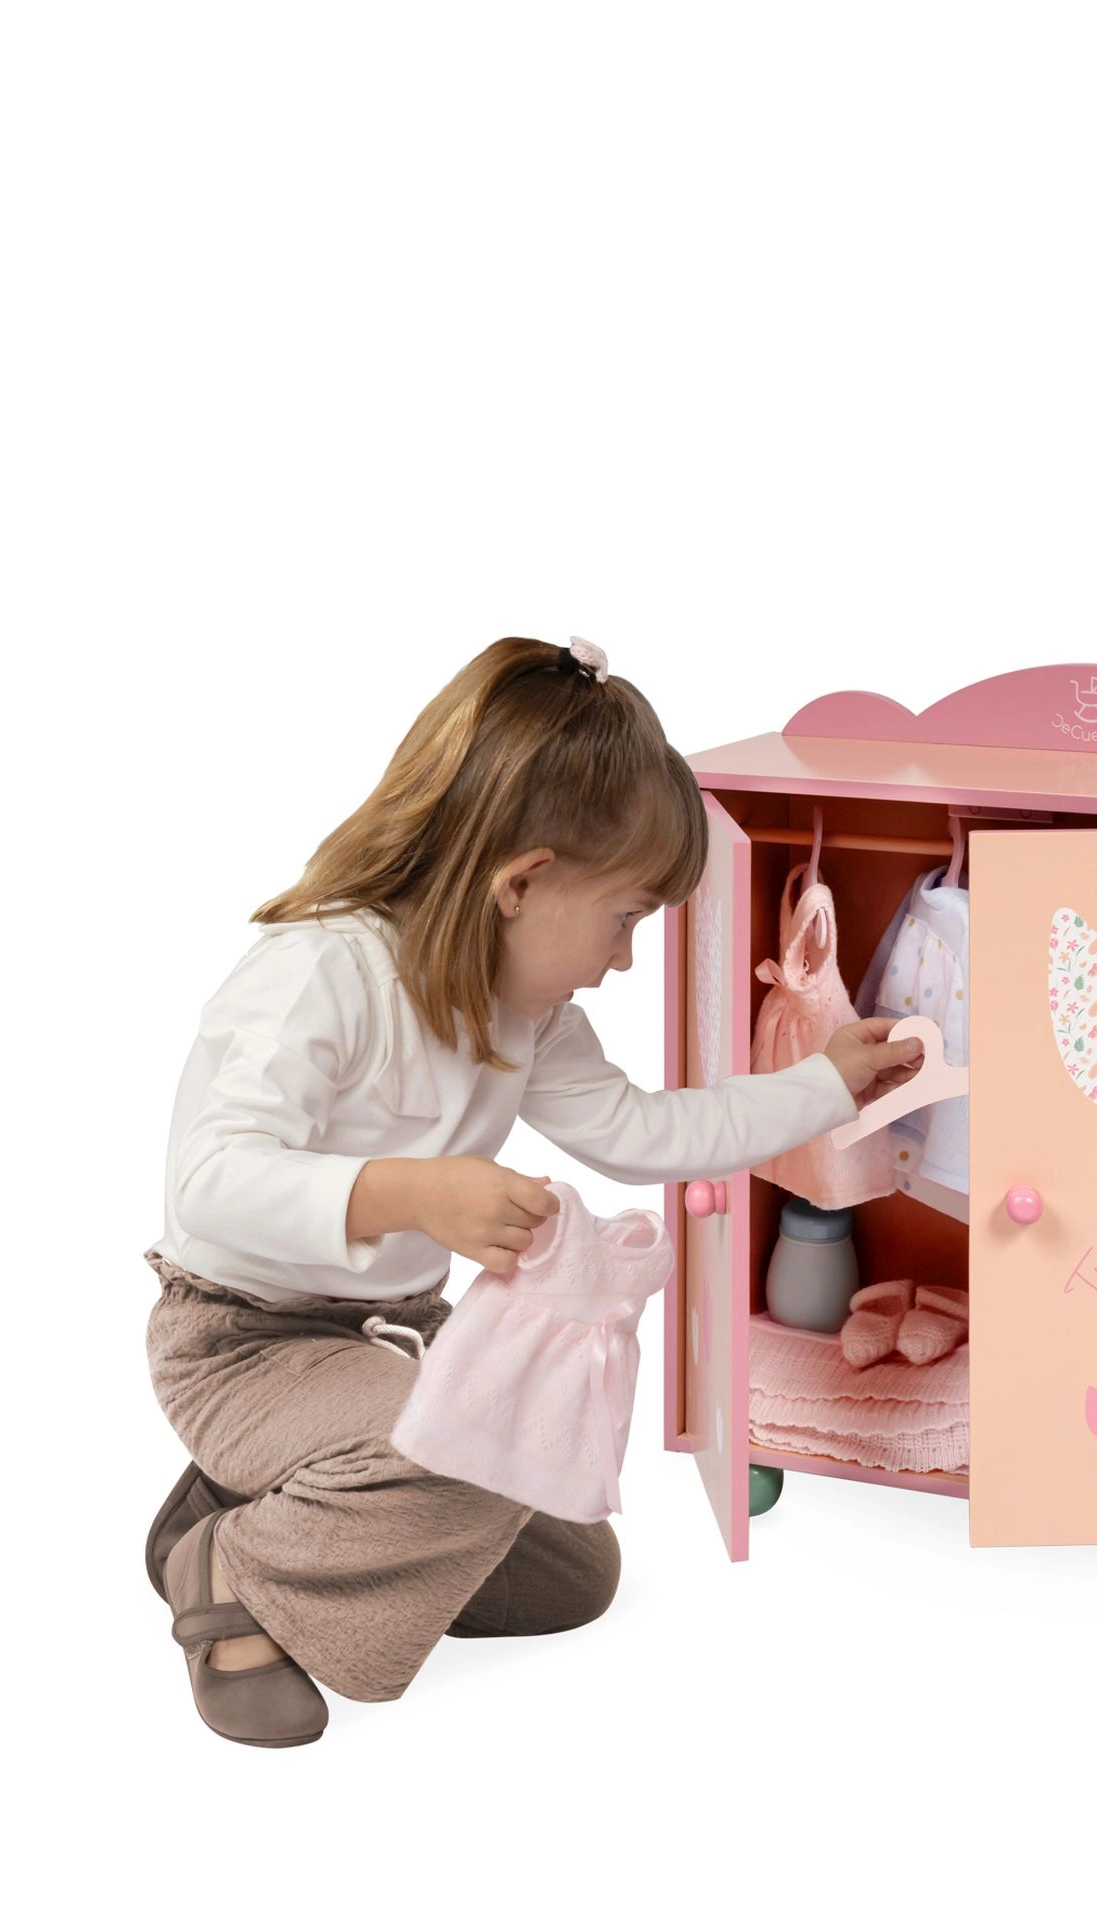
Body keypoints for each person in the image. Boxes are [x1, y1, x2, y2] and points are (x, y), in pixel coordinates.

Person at [144, 635, 922, 1746]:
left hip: (390, 1335)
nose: (624, 959)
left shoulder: (528, 1015)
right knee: (462, 1459)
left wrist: (826, 1083)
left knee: (575, 1574)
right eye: (625, 918)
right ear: (522, 883)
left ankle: (288, 1492)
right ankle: (230, 1573)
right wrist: (416, 1194)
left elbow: (648, 1131)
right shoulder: (321, 972)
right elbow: (211, 1183)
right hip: (242, 1341)